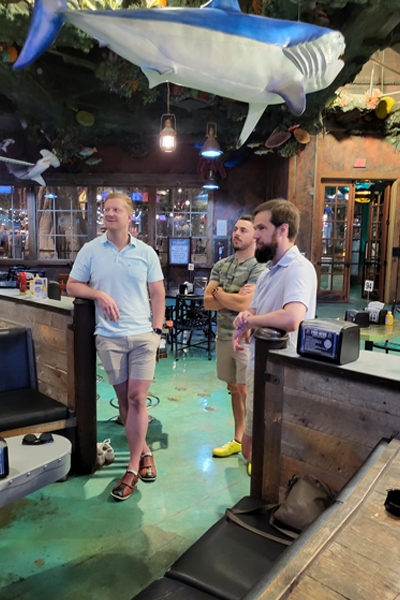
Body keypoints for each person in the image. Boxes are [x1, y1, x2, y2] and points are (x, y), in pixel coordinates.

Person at [67, 192, 165, 501]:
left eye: (116, 209)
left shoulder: (146, 252)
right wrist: (99, 295)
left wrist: (157, 332)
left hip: (141, 336)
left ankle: (133, 467)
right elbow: (72, 285)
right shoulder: (91, 250)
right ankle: (145, 450)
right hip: (108, 336)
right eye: (106, 209)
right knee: (124, 404)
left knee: (137, 398)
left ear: (129, 216)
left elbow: (158, 293)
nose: (110, 213)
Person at [233, 199, 317, 468]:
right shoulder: (269, 272)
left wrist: (252, 320)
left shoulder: (299, 268)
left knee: (264, 449)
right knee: (251, 449)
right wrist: (245, 320)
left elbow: (292, 317)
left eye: (260, 228)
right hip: (259, 365)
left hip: (281, 373)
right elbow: (255, 311)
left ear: (282, 229)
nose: (254, 235)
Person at [204, 216, 265, 458]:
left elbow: (245, 303)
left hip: (246, 339)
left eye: (243, 230)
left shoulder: (259, 267)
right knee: (232, 388)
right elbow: (208, 303)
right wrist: (226, 295)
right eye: (235, 229)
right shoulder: (220, 265)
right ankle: (239, 439)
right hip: (223, 335)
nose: (236, 233)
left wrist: (219, 293)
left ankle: (256, 449)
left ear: (254, 236)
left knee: (247, 391)